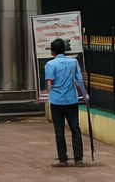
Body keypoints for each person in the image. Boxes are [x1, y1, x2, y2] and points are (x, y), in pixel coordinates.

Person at [43, 38, 88, 167]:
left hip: (57, 101)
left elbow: (50, 82)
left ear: (52, 52)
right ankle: (78, 158)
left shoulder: (50, 65)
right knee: (75, 128)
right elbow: (79, 80)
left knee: (59, 130)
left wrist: (47, 93)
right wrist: (85, 95)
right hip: (71, 100)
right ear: (65, 50)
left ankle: (63, 159)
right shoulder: (73, 62)